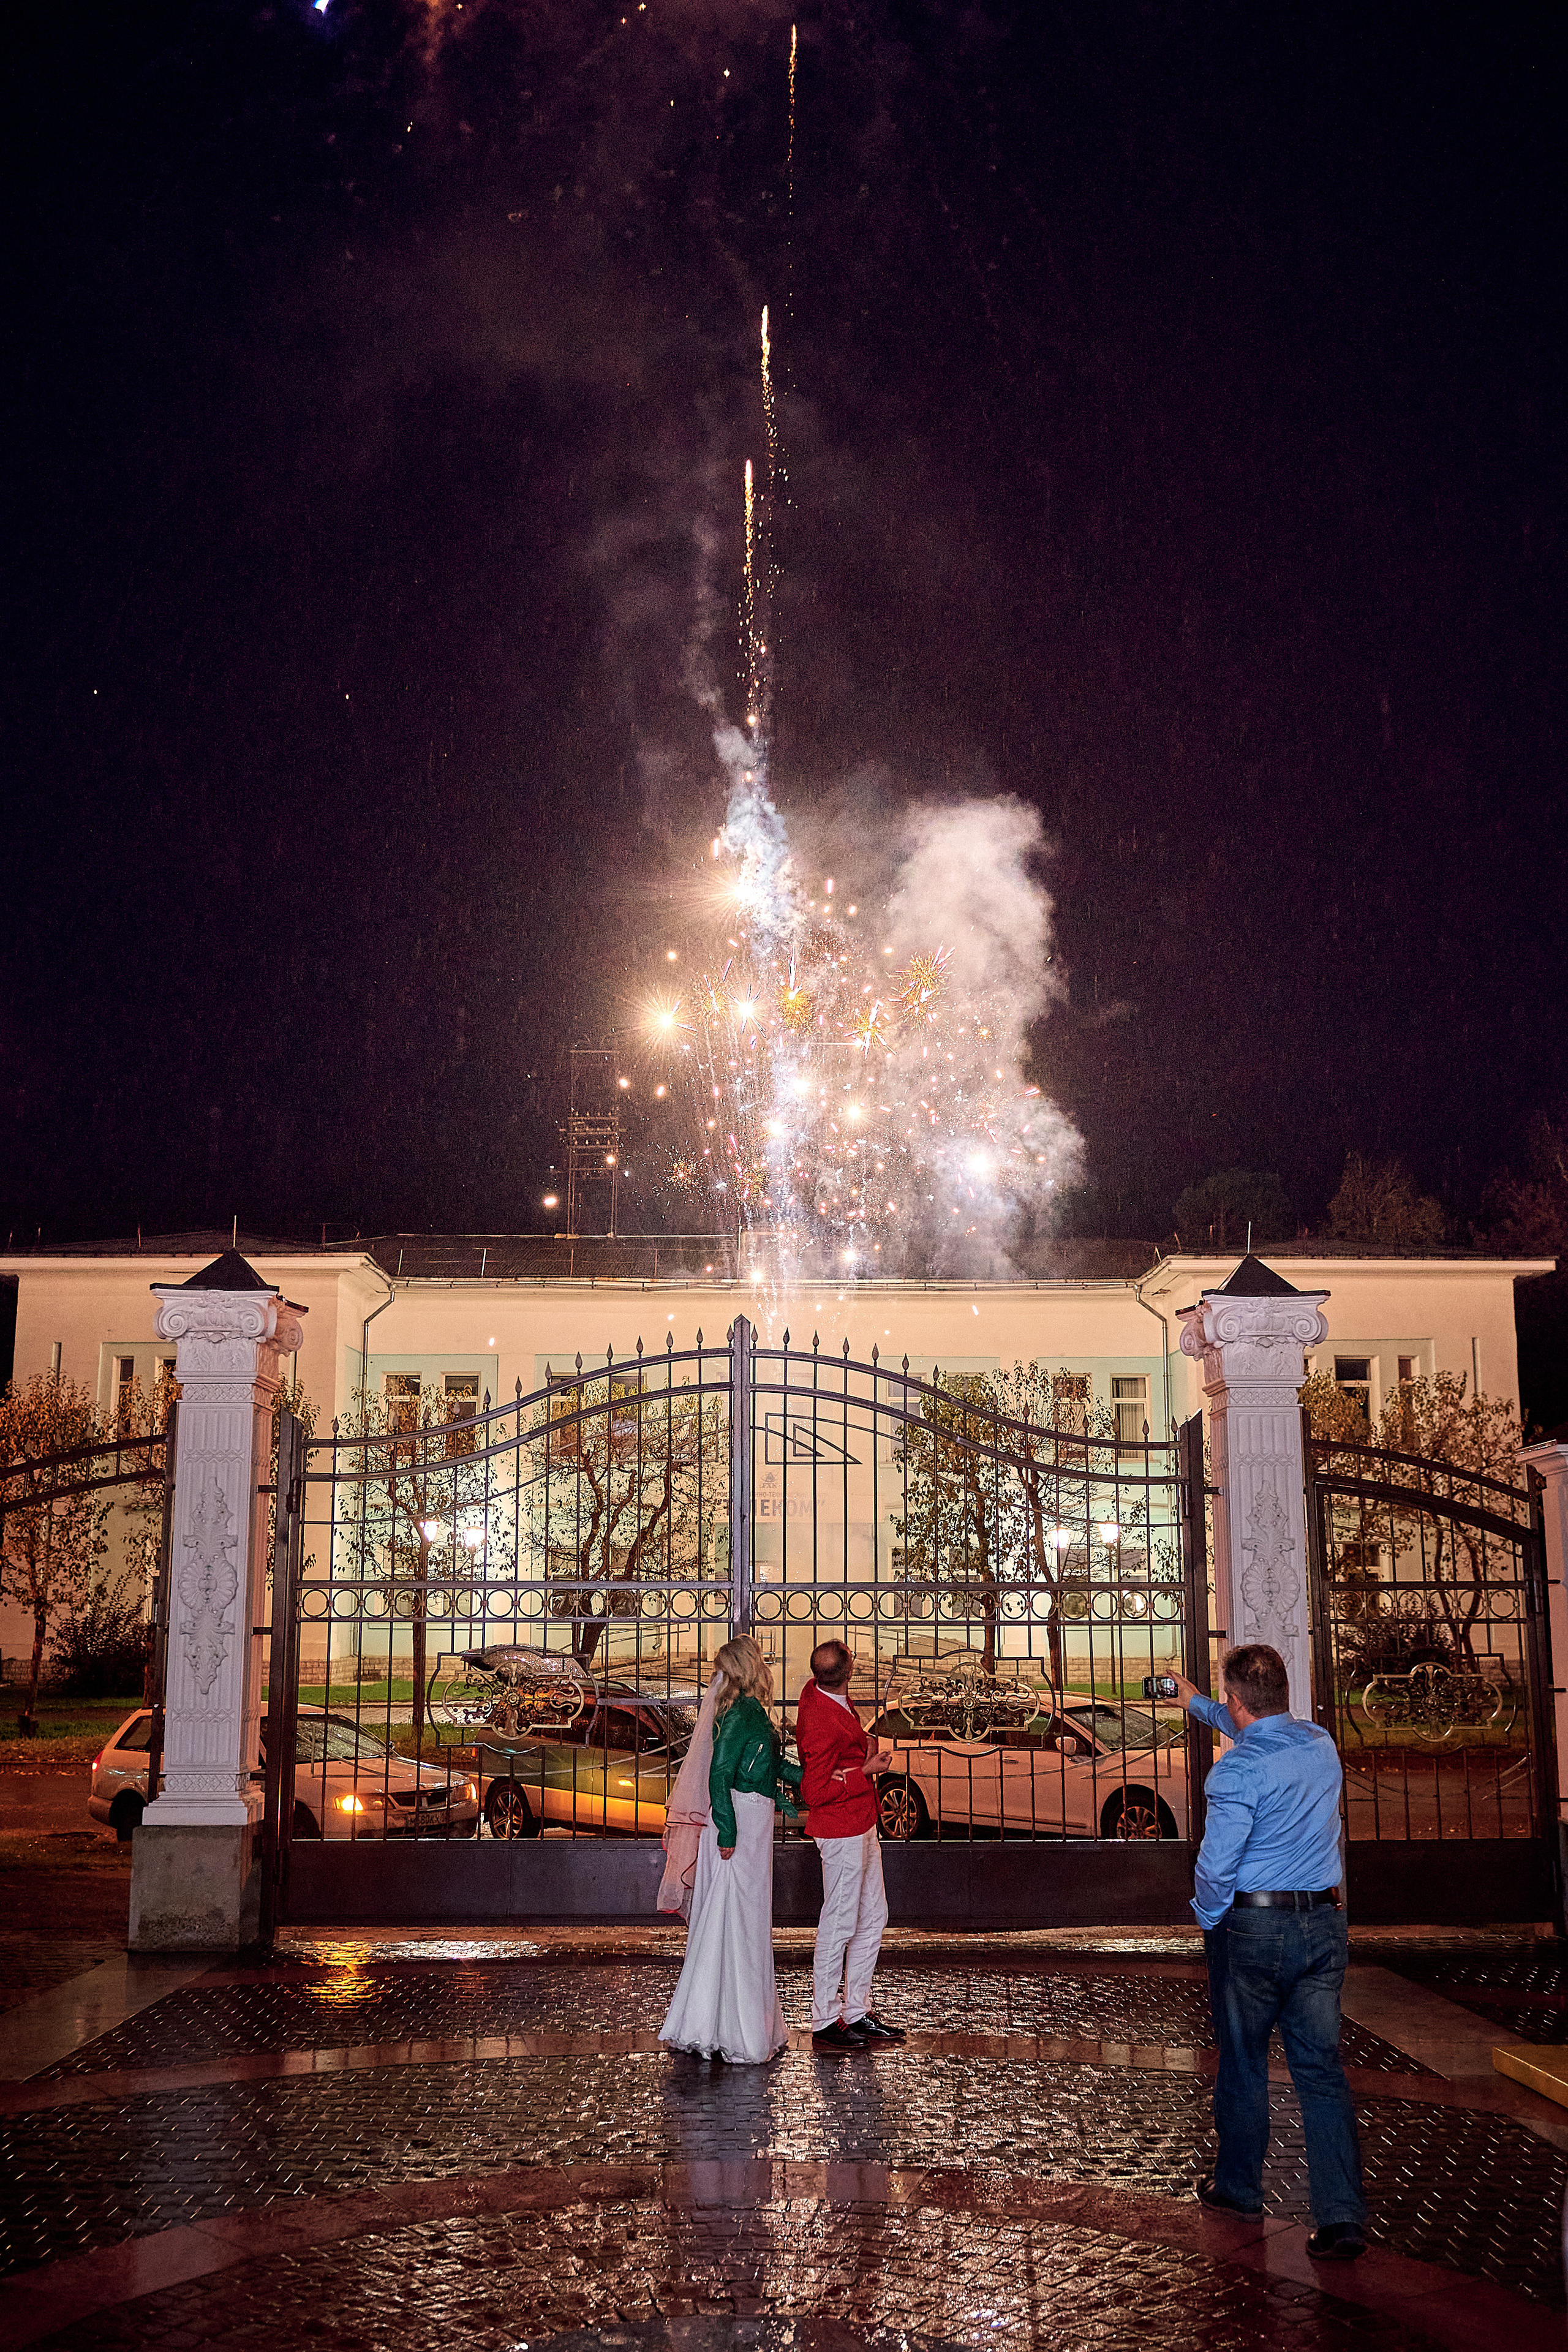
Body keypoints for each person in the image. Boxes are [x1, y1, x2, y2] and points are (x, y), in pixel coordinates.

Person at [1168, 1643, 1367, 2261]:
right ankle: (1341, 2218)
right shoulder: (1318, 1744)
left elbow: (1216, 1864)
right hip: (1321, 1926)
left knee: (1244, 2061)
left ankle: (1237, 2189)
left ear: (1236, 1698)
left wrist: (1206, 1917)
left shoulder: (1235, 1772)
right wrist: (1195, 1702)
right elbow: (1252, 1724)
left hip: (1252, 1930)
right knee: (1320, 2073)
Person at [657, 1635, 802, 2064]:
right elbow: (720, 1775)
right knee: (733, 1921)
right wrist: (726, 1831)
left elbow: (767, 1766)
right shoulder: (739, 1714)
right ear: (750, 1666)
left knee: (747, 1921)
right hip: (739, 1824)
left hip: (753, 1822)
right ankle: (725, 2026)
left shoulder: (753, 1712)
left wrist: (804, 1780)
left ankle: (731, 2020)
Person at [795, 1639, 905, 2051]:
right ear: (851, 1668)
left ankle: (857, 2010)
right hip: (840, 1830)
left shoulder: (823, 1693)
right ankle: (825, 2017)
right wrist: (865, 1770)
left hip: (861, 1821)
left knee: (873, 1916)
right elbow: (815, 1791)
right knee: (840, 1923)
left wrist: (858, 1759)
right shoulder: (820, 1718)